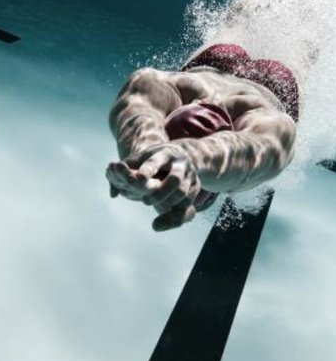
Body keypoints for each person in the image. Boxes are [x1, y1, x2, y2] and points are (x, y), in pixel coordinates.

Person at [106, 43, 299, 232]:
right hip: (276, 86)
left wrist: (144, 154)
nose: (197, 135)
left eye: (175, 137)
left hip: (213, 63)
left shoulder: (175, 90)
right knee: (305, 47)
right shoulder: (268, 127)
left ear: (168, 117)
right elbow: (261, 150)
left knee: (244, 16)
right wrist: (189, 156)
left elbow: (139, 109)